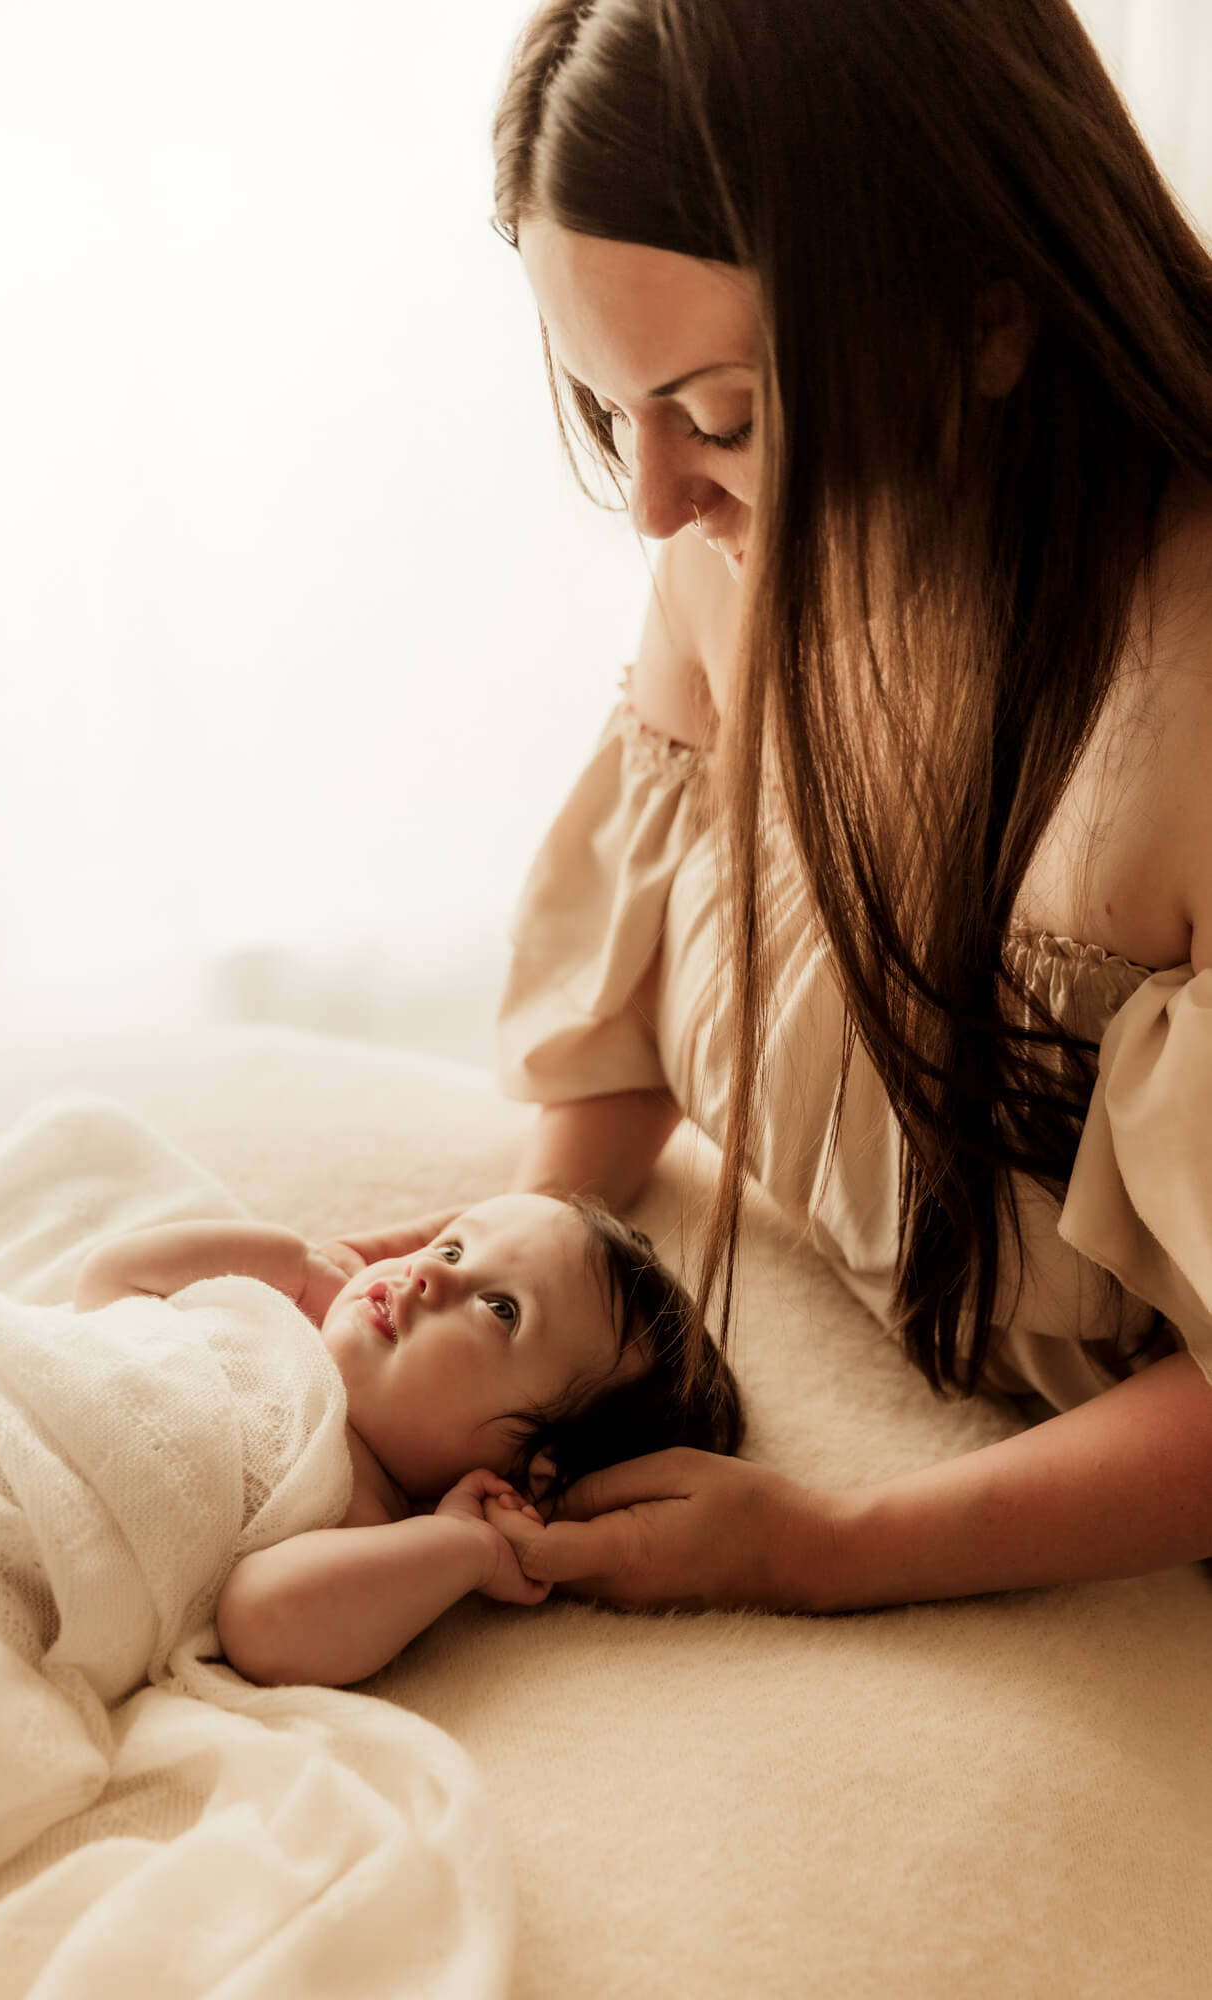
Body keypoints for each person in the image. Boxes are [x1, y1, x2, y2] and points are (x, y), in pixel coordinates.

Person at [460, 0, 1212, 1613]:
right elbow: (642, 1013)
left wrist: (835, 1547)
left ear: (988, 323)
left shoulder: (1185, 698)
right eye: (612, 413)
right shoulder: (729, 555)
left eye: (718, 416)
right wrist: (501, 1262)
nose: (655, 501)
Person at [72, 1196, 742, 1684]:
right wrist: (293, 1258)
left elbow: (262, 1622)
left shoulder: (367, 1513)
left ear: (536, 1472)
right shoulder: (270, 1320)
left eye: (500, 1309)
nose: (429, 1273)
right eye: (451, 1247)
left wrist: (462, 1548)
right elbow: (107, 1286)